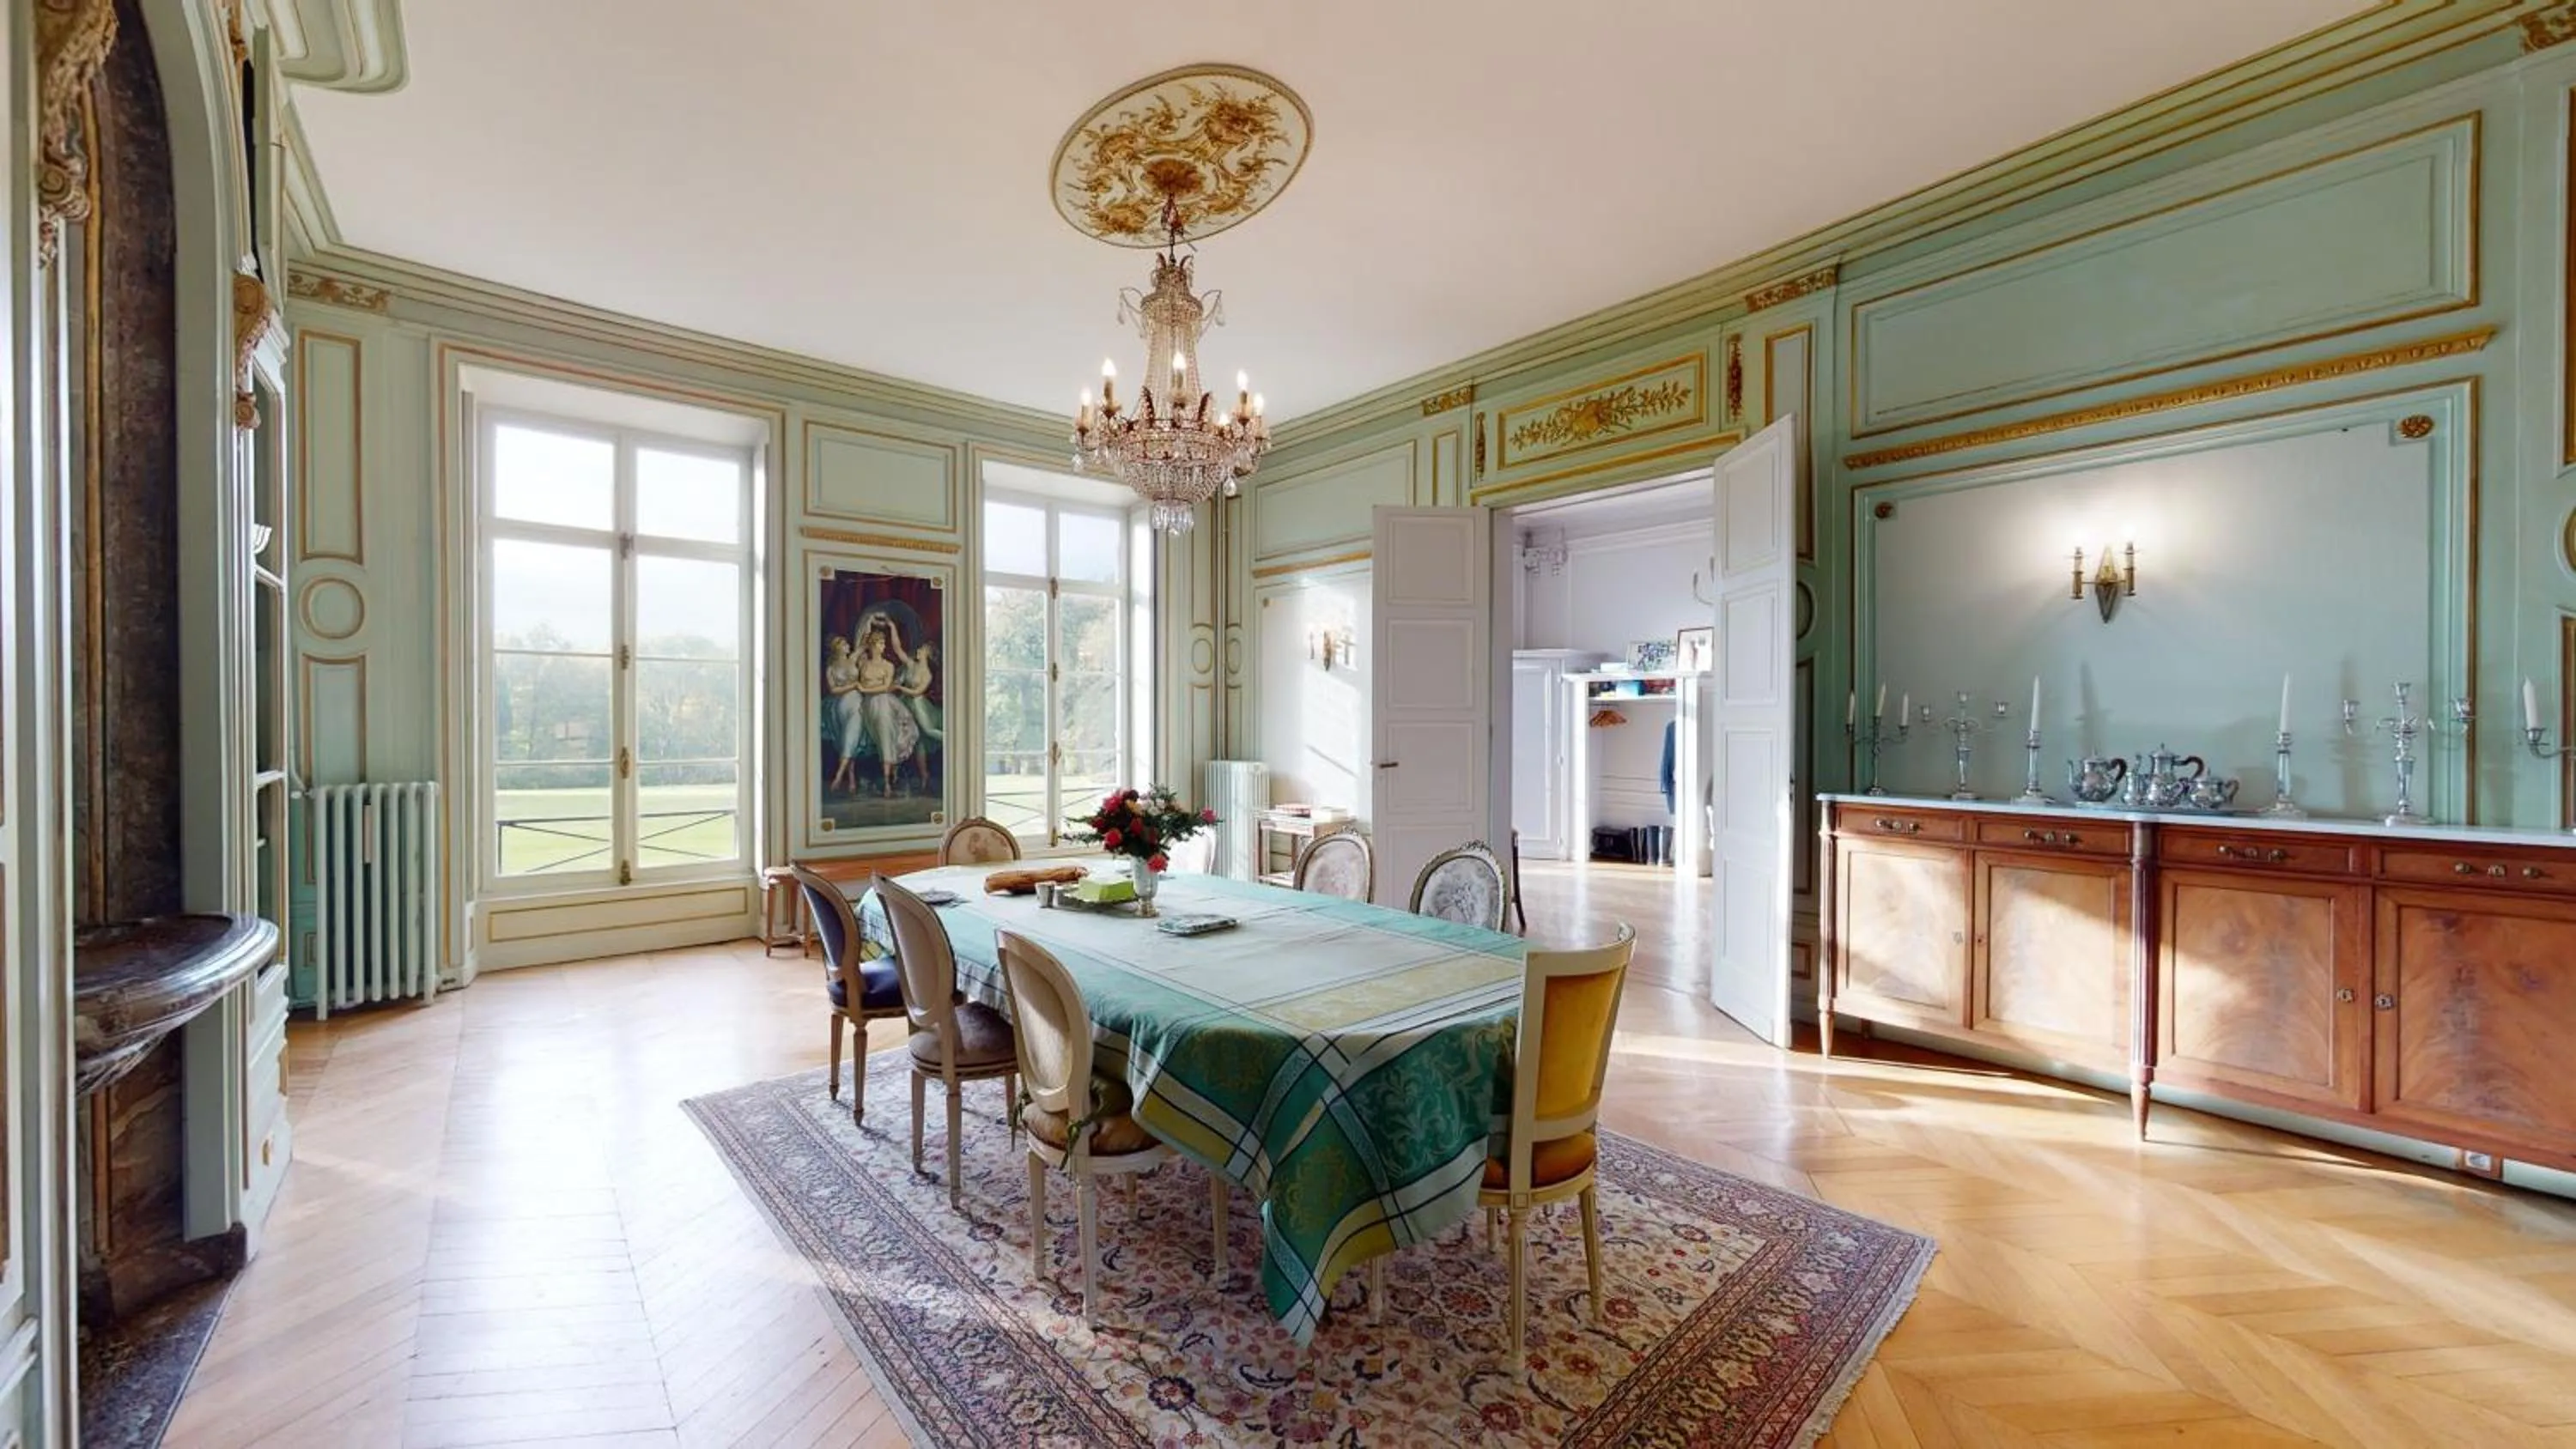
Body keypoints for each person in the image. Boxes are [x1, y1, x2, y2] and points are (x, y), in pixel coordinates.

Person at [854, 622, 919, 797]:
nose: (883, 646)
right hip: (869, 704)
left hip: (885, 702)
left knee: (887, 733)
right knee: (881, 732)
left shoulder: (888, 666)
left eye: (883, 643)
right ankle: (886, 777)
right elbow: (857, 647)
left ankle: (888, 780)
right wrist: (868, 623)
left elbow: (884, 687)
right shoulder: (863, 663)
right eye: (879, 643)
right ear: (871, 645)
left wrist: (863, 688)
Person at [896, 638, 942, 793]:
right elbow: (898, 649)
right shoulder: (911, 665)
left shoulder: (927, 674)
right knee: (919, 743)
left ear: (927, 655)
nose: (918, 651)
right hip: (907, 704)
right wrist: (891, 627)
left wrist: (900, 688)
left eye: (921, 650)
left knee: (928, 730)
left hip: (918, 705)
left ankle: (954, 741)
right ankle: (924, 776)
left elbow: (917, 692)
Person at [823, 635, 867, 794]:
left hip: (857, 703)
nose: (848, 645)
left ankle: (838, 777)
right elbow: (833, 690)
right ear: (837, 648)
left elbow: (863, 644)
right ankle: (852, 778)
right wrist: (853, 685)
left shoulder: (852, 658)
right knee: (847, 741)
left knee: (851, 738)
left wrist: (869, 622)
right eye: (844, 644)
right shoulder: (831, 668)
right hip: (841, 705)